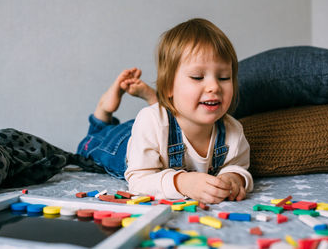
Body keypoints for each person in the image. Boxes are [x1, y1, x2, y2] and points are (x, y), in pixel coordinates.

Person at [77, 18, 253, 204]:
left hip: (159, 130)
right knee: (91, 145)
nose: (214, 86)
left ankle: (159, 101)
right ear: (169, 85)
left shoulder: (233, 131)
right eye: (197, 77)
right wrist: (182, 182)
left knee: (162, 122)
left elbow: (238, 166)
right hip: (126, 144)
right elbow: (139, 180)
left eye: (224, 77)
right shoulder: (150, 121)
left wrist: (233, 178)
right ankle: (103, 112)